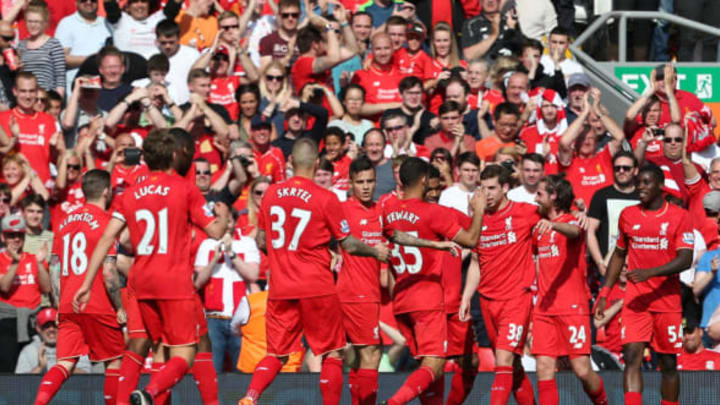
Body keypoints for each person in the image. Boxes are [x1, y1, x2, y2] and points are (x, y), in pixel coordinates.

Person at [73, 129, 230, 405]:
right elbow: (216, 232)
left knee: (157, 348)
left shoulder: (129, 194)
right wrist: (223, 215)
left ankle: (142, 396)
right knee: (186, 354)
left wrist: (85, 284)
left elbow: (108, 238)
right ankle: (149, 392)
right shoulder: (185, 189)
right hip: (174, 282)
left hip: (141, 282)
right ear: (173, 155)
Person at [237, 138, 390, 405]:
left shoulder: (271, 193)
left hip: (281, 287)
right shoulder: (325, 197)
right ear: (317, 163)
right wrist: (375, 251)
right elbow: (349, 243)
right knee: (332, 352)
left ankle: (250, 397)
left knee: (276, 354)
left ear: (290, 163)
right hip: (316, 286)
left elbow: (261, 240)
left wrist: (282, 257)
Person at [380, 157, 485, 405]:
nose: (434, 193)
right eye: (432, 187)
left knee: (461, 363)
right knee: (434, 365)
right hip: (432, 301)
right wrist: (479, 209)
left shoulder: (387, 211)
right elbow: (472, 238)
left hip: (412, 301)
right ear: (424, 182)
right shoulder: (436, 214)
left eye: (439, 189)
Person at [594, 164, 694, 405]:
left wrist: (651, 272)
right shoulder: (628, 215)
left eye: (646, 183)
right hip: (636, 300)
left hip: (666, 301)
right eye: (638, 183)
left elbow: (685, 259)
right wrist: (605, 291)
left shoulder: (679, 216)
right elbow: (619, 254)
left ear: (661, 186)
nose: (640, 187)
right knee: (631, 356)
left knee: (668, 364)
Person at [32, 170, 125, 405]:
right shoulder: (106, 222)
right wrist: (120, 307)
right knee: (114, 362)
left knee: (64, 363)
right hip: (97, 302)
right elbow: (109, 271)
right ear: (106, 191)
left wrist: (59, 301)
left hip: (67, 303)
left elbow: (55, 267)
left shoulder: (64, 222)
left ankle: (39, 402)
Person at [532, 175, 608, 405]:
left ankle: (603, 402)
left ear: (554, 196)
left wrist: (554, 224)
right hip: (544, 308)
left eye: (540, 193)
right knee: (544, 368)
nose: (535, 198)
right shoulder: (537, 224)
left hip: (572, 307)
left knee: (582, 370)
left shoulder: (573, 221)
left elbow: (574, 232)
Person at [473, 164, 538, 405]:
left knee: (503, 360)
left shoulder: (525, 212)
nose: (486, 194)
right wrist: (467, 296)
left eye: (492, 188)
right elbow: (475, 262)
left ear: (505, 188)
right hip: (487, 300)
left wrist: (577, 215)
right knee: (514, 365)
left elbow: (556, 214)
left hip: (516, 299)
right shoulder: (479, 217)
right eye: (483, 188)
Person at [194, 224, 260, 373]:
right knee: (212, 371)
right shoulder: (207, 244)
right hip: (213, 318)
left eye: (228, 219)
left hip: (240, 318)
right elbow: (197, 282)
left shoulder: (246, 243)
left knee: (241, 373)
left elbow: (253, 275)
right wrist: (214, 259)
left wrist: (231, 254)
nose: (226, 224)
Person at [0, 214, 51, 372]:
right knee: (8, 368)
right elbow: (4, 287)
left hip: (32, 322)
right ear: (3, 237)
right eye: (11, 235)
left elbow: (47, 288)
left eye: (19, 235)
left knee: (35, 364)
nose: (16, 239)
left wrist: (40, 264)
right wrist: (15, 262)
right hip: (7, 321)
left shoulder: (32, 258)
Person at [0, 71, 59, 189]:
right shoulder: (3, 118)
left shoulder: (48, 120)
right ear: (15, 91)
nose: (27, 96)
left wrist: (57, 149)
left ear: (37, 92)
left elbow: (55, 159)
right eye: (23, 91)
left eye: (31, 91)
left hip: (40, 190)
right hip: (10, 191)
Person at [587, 151, 640, 278]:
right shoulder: (601, 195)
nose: (621, 171)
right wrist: (600, 262)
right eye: (617, 168)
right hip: (608, 267)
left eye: (626, 168)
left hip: (636, 267)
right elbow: (590, 231)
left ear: (636, 170)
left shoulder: (643, 196)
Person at [54, 0, 112, 93]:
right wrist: (93, 60)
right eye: (83, 0)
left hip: (103, 86)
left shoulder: (107, 24)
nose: (89, 2)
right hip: (76, 87)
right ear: (76, 2)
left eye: (92, 0)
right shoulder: (66, 24)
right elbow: (61, 58)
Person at [15, 307, 92, 375]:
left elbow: (89, 380)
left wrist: (67, 366)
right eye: (46, 326)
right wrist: (40, 367)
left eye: (55, 325)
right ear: (38, 328)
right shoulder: (29, 350)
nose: (51, 329)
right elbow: (19, 384)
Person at [17, 1, 66, 97]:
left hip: (46, 98)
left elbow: (60, 76)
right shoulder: (21, 45)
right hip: (26, 97)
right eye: (30, 21)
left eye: (36, 22)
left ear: (44, 22)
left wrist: (58, 99)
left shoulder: (53, 44)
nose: (33, 25)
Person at [105, 0, 183, 59]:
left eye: (143, 1)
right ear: (128, 6)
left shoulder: (159, 19)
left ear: (149, 4)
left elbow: (174, 4)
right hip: (127, 74)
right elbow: (109, 4)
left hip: (155, 73)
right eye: (135, 2)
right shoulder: (120, 21)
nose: (140, 5)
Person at [155, 19, 200, 105]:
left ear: (179, 38)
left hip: (187, 106)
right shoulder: (150, 55)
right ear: (157, 40)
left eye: (171, 42)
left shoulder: (192, 55)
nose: (167, 46)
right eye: (163, 43)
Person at [258, 0, 301, 70]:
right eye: (285, 15)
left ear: (299, 15)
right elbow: (265, 71)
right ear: (279, 16)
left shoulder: (307, 38)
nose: (290, 18)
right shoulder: (267, 41)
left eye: (294, 15)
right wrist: (288, 56)